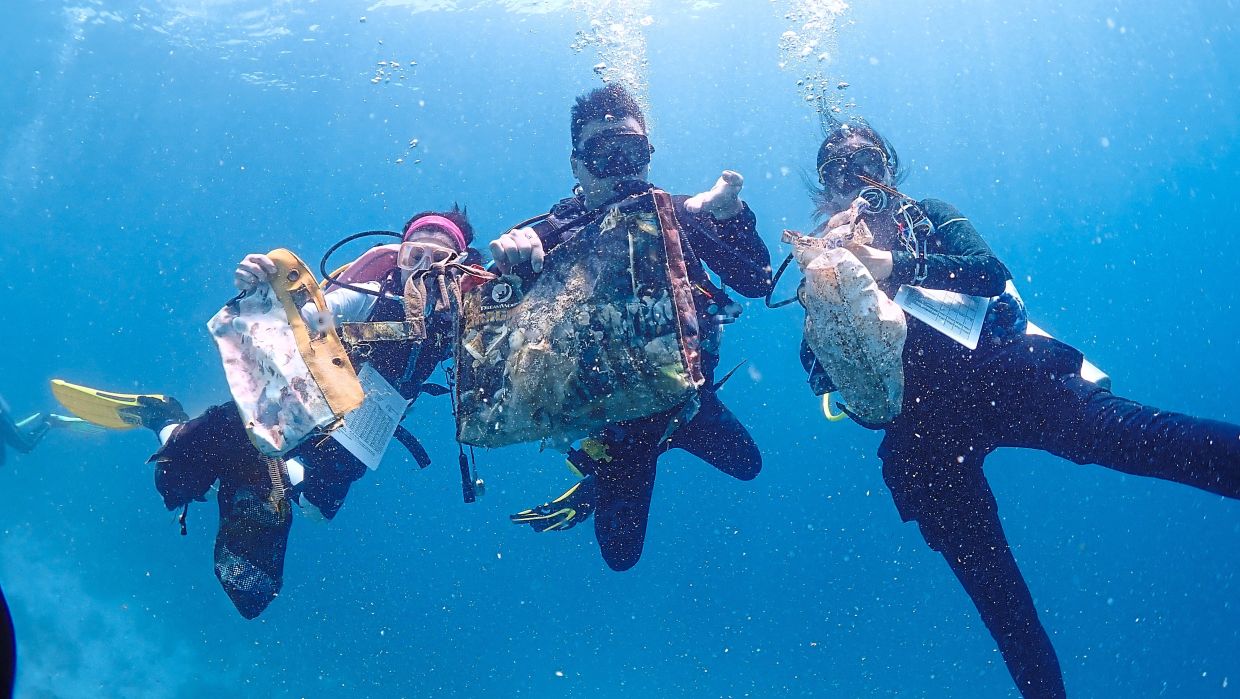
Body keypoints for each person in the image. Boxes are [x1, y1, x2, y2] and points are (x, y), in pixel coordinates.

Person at [796, 117, 1240, 699]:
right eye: (838, 171)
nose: (856, 181)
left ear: (889, 171)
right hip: (923, 432)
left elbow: (989, 274)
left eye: (867, 165)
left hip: (1006, 377)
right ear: (825, 190)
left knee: (1138, 436)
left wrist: (895, 268)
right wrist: (835, 313)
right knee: (1000, 602)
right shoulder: (822, 264)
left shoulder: (927, 215)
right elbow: (815, 368)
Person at [53, 209, 485, 618]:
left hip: (366, 427)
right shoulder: (369, 294)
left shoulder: (464, 313)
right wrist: (259, 289)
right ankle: (164, 417)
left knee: (316, 508)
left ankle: (258, 468)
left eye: (440, 259)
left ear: (461, 264)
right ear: (398, 254)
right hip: (306, 401)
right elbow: (307, 316)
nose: (425, 268)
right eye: (416, 255)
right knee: (181, 477)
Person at [498, 84, 773, 571]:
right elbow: (498, 324)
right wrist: (512, 263)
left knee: (749, 466)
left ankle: (624, 462)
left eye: (634, 152)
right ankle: (600, 474)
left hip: (689, 400)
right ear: (576, 165)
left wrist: (733, 219)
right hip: (616, 424)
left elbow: (755, 282)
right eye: (606, 155)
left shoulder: (683, 214)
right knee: (621, 557)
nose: (624, 168)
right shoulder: (549, 234)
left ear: (649, 154)